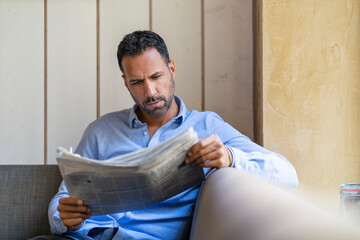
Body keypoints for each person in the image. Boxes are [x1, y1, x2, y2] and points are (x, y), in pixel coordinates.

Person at [48, 30, 298, 240]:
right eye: (137, 82)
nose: (150, 91)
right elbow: (62, 199)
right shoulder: (100, 130)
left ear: (172, 69)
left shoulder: (206, 125)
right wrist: (66, 219)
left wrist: (231, 157)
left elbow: (287, 174)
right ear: (125, 83)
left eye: (157, 76)